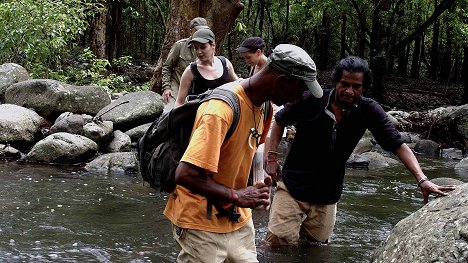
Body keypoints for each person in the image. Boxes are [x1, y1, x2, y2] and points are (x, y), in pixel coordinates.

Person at [263, 56, 457, 247]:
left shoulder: (368, 110)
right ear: (335, 82)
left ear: (364, 88)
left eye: (356, 86)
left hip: (327, 195)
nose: (349, 91)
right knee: (278, 247)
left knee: (315, 251)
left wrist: (421, 179)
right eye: (344, 84)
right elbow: (280, 120)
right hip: (292, 187)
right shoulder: (312, 99)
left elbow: (397, 144)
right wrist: (272, 157)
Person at [163, 44, 323, 262]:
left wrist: (258, 183)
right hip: (199, 223)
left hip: (237, 219)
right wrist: (238, 195)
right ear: (281, 81)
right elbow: (185, 174)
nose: (298, 97)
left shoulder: (265, 107)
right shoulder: (220, 110)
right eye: (299, 89)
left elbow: (253, 149)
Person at [174, 28, 238, 107]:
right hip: (200, 116)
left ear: (213, 45)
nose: (199, 52)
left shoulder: (225, 64)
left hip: (225, 113)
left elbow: (238, 87)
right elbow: (179, 102)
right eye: (196, 48)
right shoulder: (191, 71)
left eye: (203, 47)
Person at [161, 17, 210, 110]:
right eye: (198, 31)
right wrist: (166, 87)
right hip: (177, 89)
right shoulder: (180, 45)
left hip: (197, 93)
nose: (201, 34)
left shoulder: (208, 48)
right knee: (169, 113)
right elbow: (167, 67)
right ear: (191, 31)